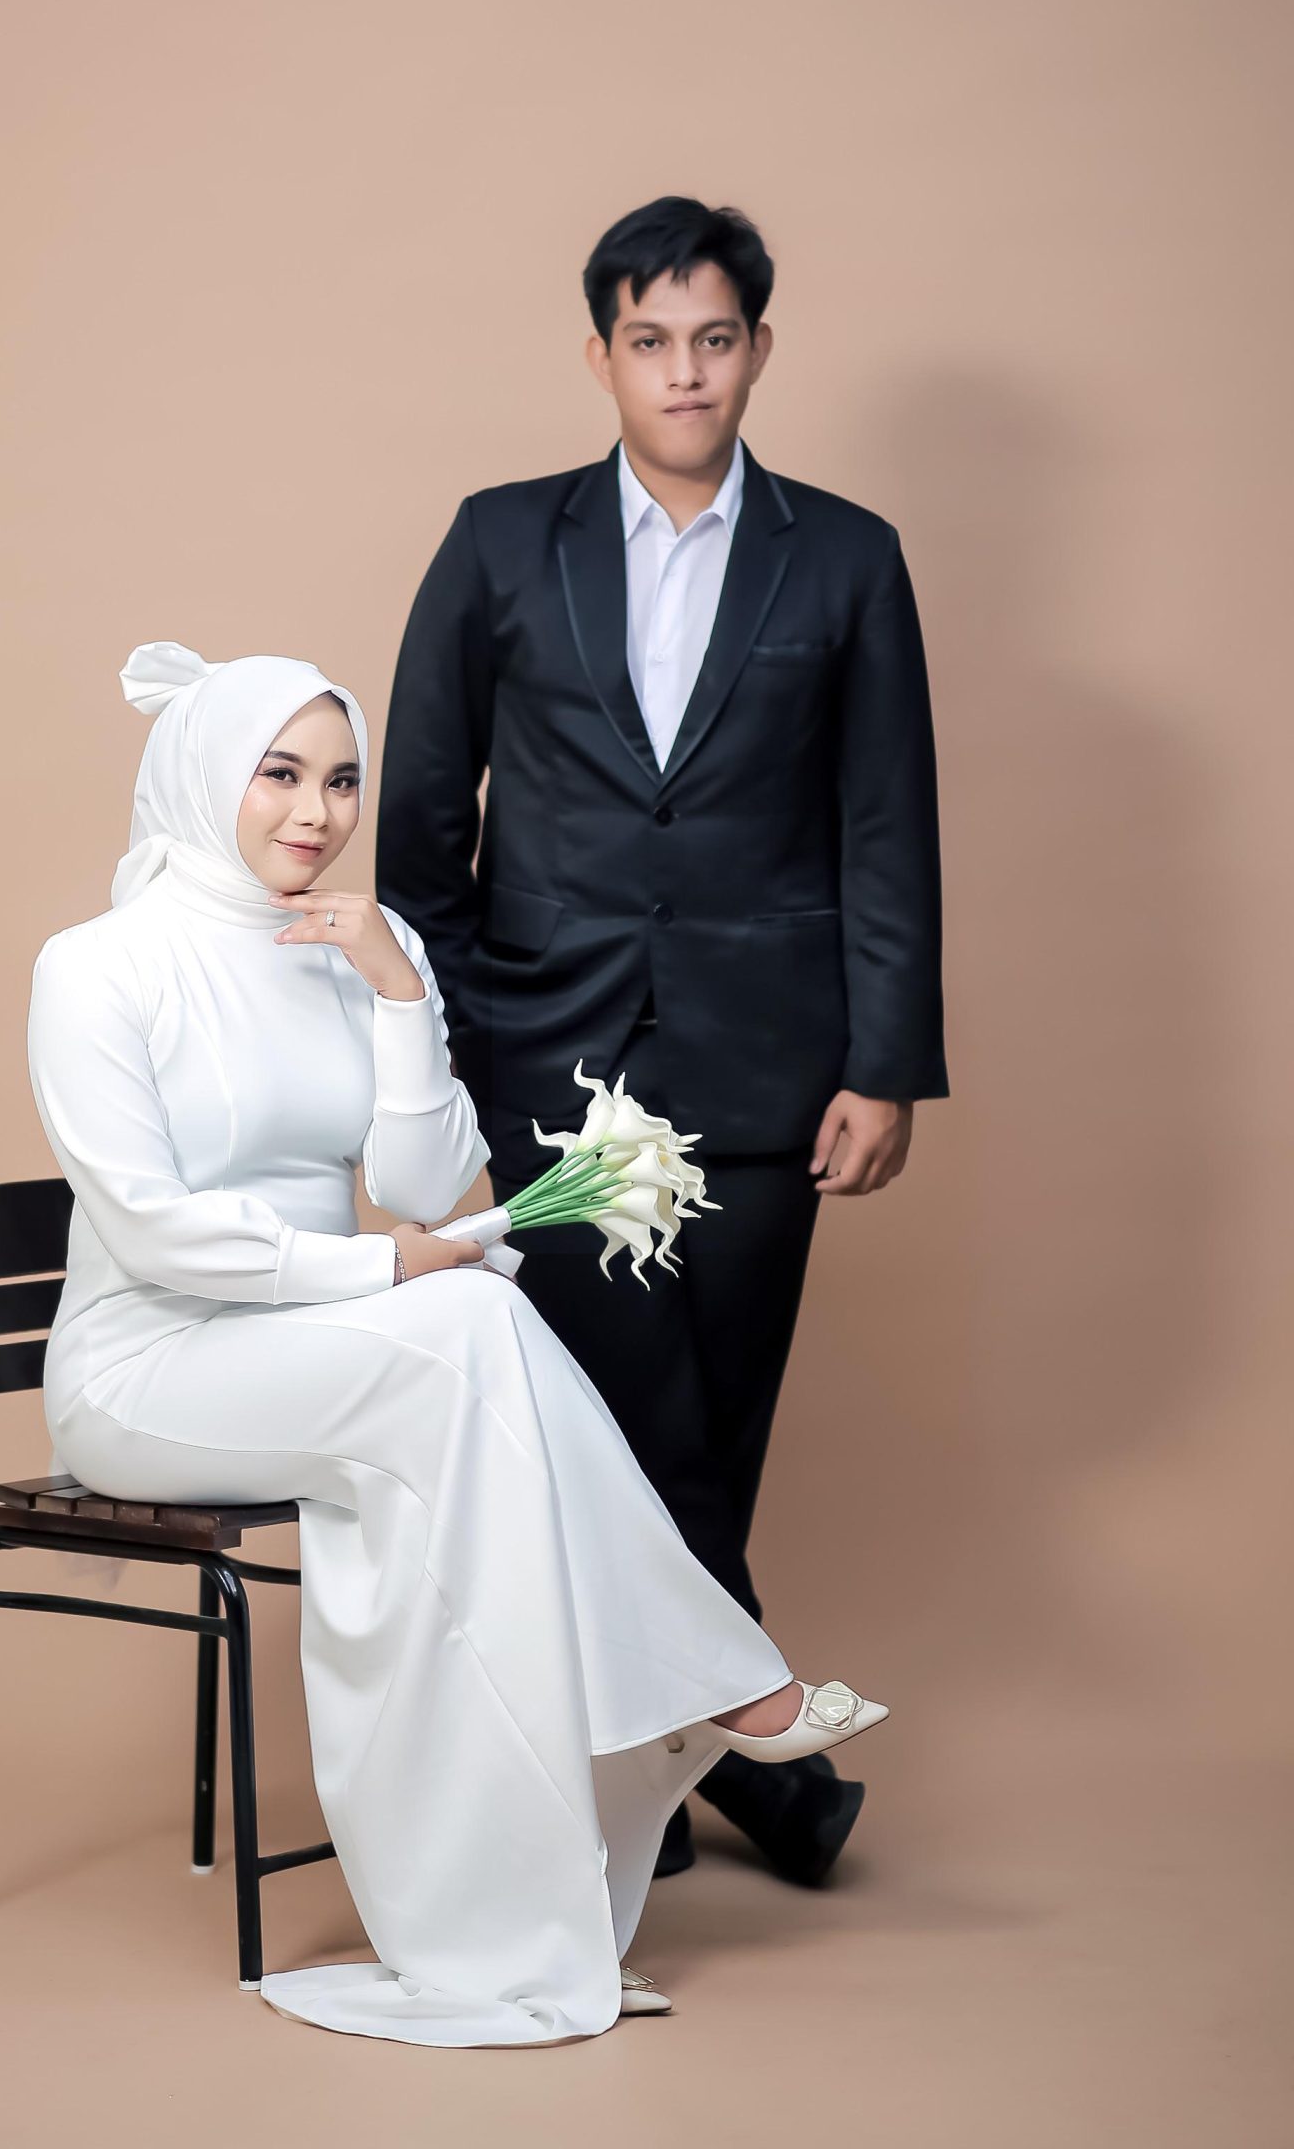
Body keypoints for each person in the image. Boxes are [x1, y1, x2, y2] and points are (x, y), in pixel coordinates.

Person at [26, 639, 887, 2047]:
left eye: (343, 780)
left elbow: (430, 1187)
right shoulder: (95, 968)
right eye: (279, 774)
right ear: (201, 773)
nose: (316, 813)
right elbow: (155, 1233)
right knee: (471, 1317)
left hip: (330, 1355)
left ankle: (518, 1934)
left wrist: (396, 994)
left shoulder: (364, 944)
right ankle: (717, 1680)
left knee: (474, 1463)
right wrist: (382, 1266)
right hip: (150, 1374)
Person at [376, 195, 945, 1888]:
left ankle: (655, 1772)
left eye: (713, 340)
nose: (684, 372)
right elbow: (422, 823)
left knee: (721, 1426)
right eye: (650, 341)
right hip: (550, 1062)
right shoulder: (502, 542)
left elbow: (886, 826)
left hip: (774, 1065)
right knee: (627, 1424)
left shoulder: (846, 558)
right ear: (601, 356)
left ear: (758, 350)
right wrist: (452, 1056)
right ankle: (759, 1769)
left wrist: (885, 1060)